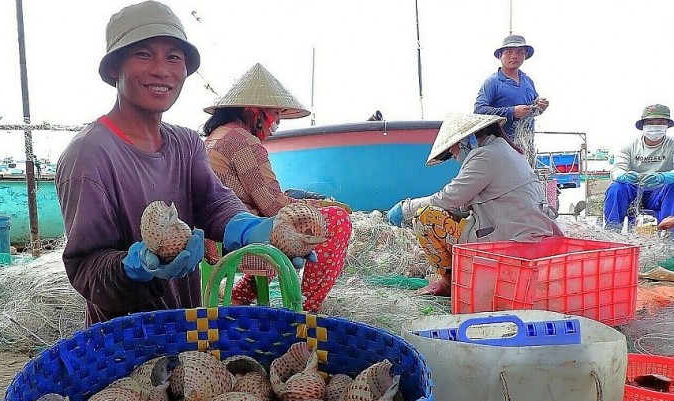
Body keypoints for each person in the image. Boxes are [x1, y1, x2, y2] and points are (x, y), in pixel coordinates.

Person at [55, 2, 312, 326]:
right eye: (144, 54)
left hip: (188, 327)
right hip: (125, 339)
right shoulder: (88, 155)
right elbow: (87, 269)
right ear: (113, 68)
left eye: (174, 57)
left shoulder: (186, 143)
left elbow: (214, 203)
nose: (162, 69)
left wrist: (250, 228)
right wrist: (137, 267)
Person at [202, 63, 353, 312]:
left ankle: (242, 292)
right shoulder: (242, 140)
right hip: (235, 237)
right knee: (336, 220)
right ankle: (306, 307)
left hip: (217, 232)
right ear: (254, 111)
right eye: (275, 117)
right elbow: (274, 205)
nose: (275, 125)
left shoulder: (218, 135)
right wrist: (323, 205)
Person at [386, 113, 562, 296]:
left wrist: (405, 208)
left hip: (513, 241)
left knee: (425, 217)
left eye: (452, 151)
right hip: (534, 234)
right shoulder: (506, 151)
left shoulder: (484, 157)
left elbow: (446, 199)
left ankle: (448, 283)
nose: (454, 157)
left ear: (466, 141)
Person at [474, 34, 549, 156]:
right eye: (509, 52)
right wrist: (511, 112)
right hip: (500, 148)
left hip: (526, 147)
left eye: (520, 52)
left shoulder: (528, 81)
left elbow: (533, 111)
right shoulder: (493, 82)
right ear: (500, 55)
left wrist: (540, 106)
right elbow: (479, 110)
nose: (514, 56)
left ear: (525, 55)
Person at [604, 104, 674, 231]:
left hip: (660, 193)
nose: (655, 126)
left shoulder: (672, 145)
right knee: (616, 187)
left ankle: (669, 236)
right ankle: (612, 232)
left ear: (667, 125)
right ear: (643, 126)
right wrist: (623, 175)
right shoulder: (630, 146)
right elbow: (616, 169)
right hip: (634, 190)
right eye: (651, 122)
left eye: (660, 122)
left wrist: (663, 177)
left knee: (673, 186)